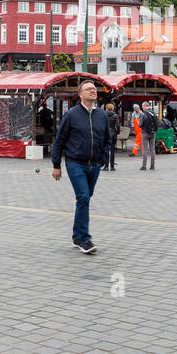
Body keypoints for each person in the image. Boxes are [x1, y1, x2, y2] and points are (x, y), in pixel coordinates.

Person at [50, 80, 110, 254]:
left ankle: (77, 236)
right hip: (75, 162)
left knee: (85, 198)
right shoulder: (72, 115)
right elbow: (60, 139)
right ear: (80, 94)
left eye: (94, 89)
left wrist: (103, 158)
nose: (93, 91)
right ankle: (84, 239)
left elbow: (107, 138)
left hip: (95, 164)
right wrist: (56, 164)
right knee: (83, 197)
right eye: (89, 89)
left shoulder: (102, 115)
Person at [138, 101, 158, 171]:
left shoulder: (143, 114)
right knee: (152, 149)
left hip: (145, 133)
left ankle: (144, 166)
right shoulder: (154, 113)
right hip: (153, 133)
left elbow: (140, 125)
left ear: (144, 106)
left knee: (145, 149)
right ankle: (152, 166)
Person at [102, 102, 118, 171]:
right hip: (113, 133)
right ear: (112, 108)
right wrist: (117, 132)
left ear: (106, 108)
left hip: (106, 134)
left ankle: (106, 166)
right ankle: (112, 167)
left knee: (106, 150)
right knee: (112, 151)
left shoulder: (103, 115)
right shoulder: (115, 115)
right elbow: (118, 126)